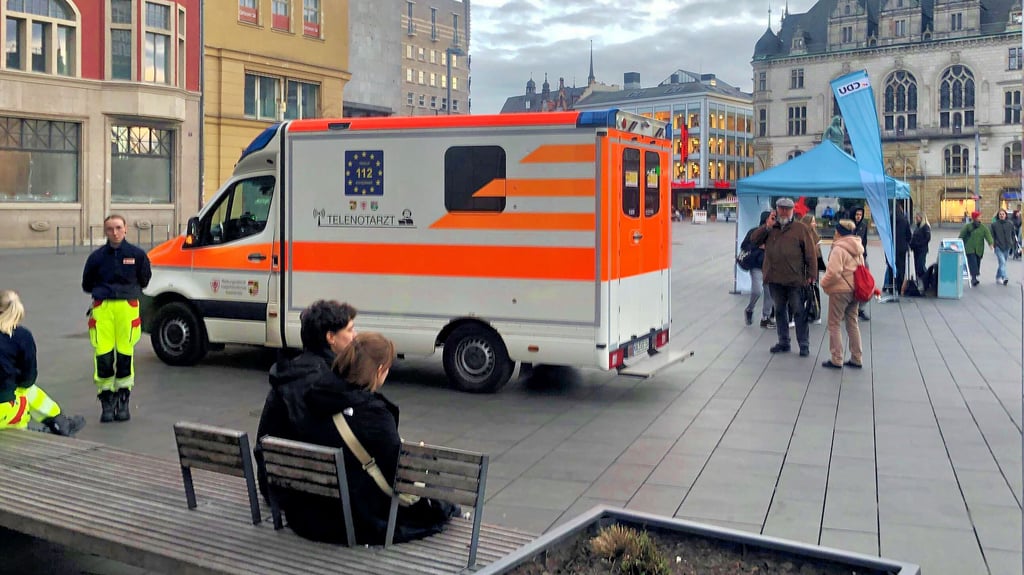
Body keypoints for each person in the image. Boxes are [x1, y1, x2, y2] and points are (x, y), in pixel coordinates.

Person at [277, 333, 459, 545]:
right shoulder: (374, 415)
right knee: (440, 503)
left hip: (308, 515)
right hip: (354, 520)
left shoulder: (309, 397)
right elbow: (397, 474)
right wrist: (414, 459)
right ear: (380, 370)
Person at [255, 300, 357, 500]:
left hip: (273, 483)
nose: (355, 336)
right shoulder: (328, 383)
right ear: (331, 337)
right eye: (350, 330)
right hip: (309, 492)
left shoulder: (287, 373)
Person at [82, 215, 152, 423]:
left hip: (127, 307)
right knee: (103, 355)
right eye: (110, 229)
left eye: (118, 228)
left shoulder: (137, 255)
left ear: (126, 229)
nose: (115, 232)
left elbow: (145, 279)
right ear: (105, 231)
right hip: (102, 308)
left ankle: (123, 400)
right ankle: (106, 400)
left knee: (124, 354)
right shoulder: (96, 258)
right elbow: (87, 284)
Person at [0, 290, 86, 435]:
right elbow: (28, 378)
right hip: (5, 411)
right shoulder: (21, 336)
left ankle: (57, 422)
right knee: (27, 390)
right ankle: (58, 422)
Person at [747, 197, 817, 357]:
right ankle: (784, 341)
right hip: (775, 278)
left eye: (787, 209)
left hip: (795, 279)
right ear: (776, 210)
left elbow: (810, 253)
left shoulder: (800, 229)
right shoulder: (771, 227)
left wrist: (812, 274)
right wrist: (767, 227)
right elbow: (753, 240)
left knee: (799, 312)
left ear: (792, 210)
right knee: (779, 311)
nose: (784, 212)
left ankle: (804, 345)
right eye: (781, 208)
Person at [819, 221, 864, 369]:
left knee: (834, 323)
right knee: (852, 322)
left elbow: (834, 272)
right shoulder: (858, 247)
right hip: (855, 289)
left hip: (840, 290)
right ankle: (857, 357)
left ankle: (836, 358)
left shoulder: (838, 248)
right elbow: (861, 268)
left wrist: (823, 283)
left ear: (838, 232)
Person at [740, 211, 775, 328]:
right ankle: (750, 309)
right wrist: (758, 246)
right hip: (757, 265)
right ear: (766, 219)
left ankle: (765, 317)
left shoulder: (775, 233)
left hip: (770, 267)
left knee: (769, 293)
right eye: (772, 218)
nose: (774, 220)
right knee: (757, 291)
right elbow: (744, 246)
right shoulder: (754, 231)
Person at [958, 211, 994, 287]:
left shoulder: (983, 227)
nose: (980, 218)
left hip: (979, 249)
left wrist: (991, 243)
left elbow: (988, 235)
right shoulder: (968, 226)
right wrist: (958, 243)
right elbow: (961, 235)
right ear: (974, 218)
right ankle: (973, 278)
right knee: (972, 262)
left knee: (977, 262)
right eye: (978, 216)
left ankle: (974, 276)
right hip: (969, 248)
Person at [883, 204, 912, 294]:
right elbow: (909, 235)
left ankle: (891, 287)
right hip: (902, 248)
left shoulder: (888, 221)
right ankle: (899, 288)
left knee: (891, 267)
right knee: (901, 268)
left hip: (890, 247)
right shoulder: (904, 220)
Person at [801, 213, 824, 325]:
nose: (815, 224)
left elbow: (817, 255)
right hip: (804, 268)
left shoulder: (815, 235)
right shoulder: (803, 235)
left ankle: (814, 313)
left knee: (813, 291)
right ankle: (807, 312)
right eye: (813, 221)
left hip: (814, 268)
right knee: (804, 291)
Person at [851, 207, 871, 321]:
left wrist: (863, 254)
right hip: (851, 258)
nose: (858, 216)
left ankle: (861, 309)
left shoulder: (863, 225)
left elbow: (865, 240)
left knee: (864, 283)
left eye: (860, 214)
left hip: (861, 257)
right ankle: (851, 309)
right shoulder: (850, 225)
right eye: (857, 214)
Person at [990, 209, 1016, 286]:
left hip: (1007, 246)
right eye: (1000, 214)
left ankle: (998, 277)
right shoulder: (994, 225)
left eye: (1003, 214)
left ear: (1005, 215)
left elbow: (1013, 234)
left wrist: (1012, 242)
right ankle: (1004, 277)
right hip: (998, 246)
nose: (1001, 215)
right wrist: (993, 244)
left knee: (1002, 263)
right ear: (998, 216)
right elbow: (992, 235)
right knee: (1002, 262)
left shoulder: (1010, 224)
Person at [909, 211, 931, 285]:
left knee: (920, 266)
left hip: (922, 250)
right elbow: (914, 237)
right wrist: (911, 245)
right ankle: (919, 281)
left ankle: (927, 279)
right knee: (917, 267)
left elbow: (928, 238)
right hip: (916, 250)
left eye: (917, 217)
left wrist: (920, 244)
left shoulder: (925, 227)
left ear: (921, 218)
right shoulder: (917, 226)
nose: (916, 218)